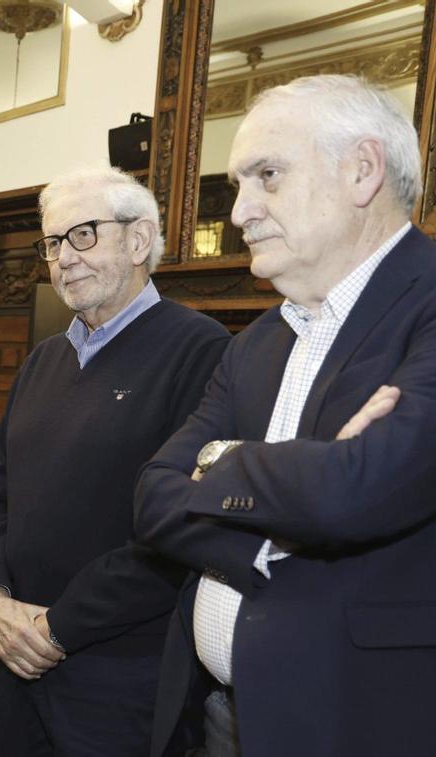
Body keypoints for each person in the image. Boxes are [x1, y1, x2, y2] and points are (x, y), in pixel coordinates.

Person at [134, 74, 436, 757]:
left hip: (356, 720)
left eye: (267, 175)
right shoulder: (257, 339)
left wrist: (216, 465)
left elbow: (358, 489)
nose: (240, 212)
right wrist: (282, 518)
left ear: (362, 171)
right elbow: (152, 497)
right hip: (213, 712)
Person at [0, 166, 230, 756]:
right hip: (14, 658)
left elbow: (181, 532)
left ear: (139, 241)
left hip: (120, 674)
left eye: (83, 235)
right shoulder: (42, 361)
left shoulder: (202, 350)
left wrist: (57, 628)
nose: (64, 258)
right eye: (53, 243)